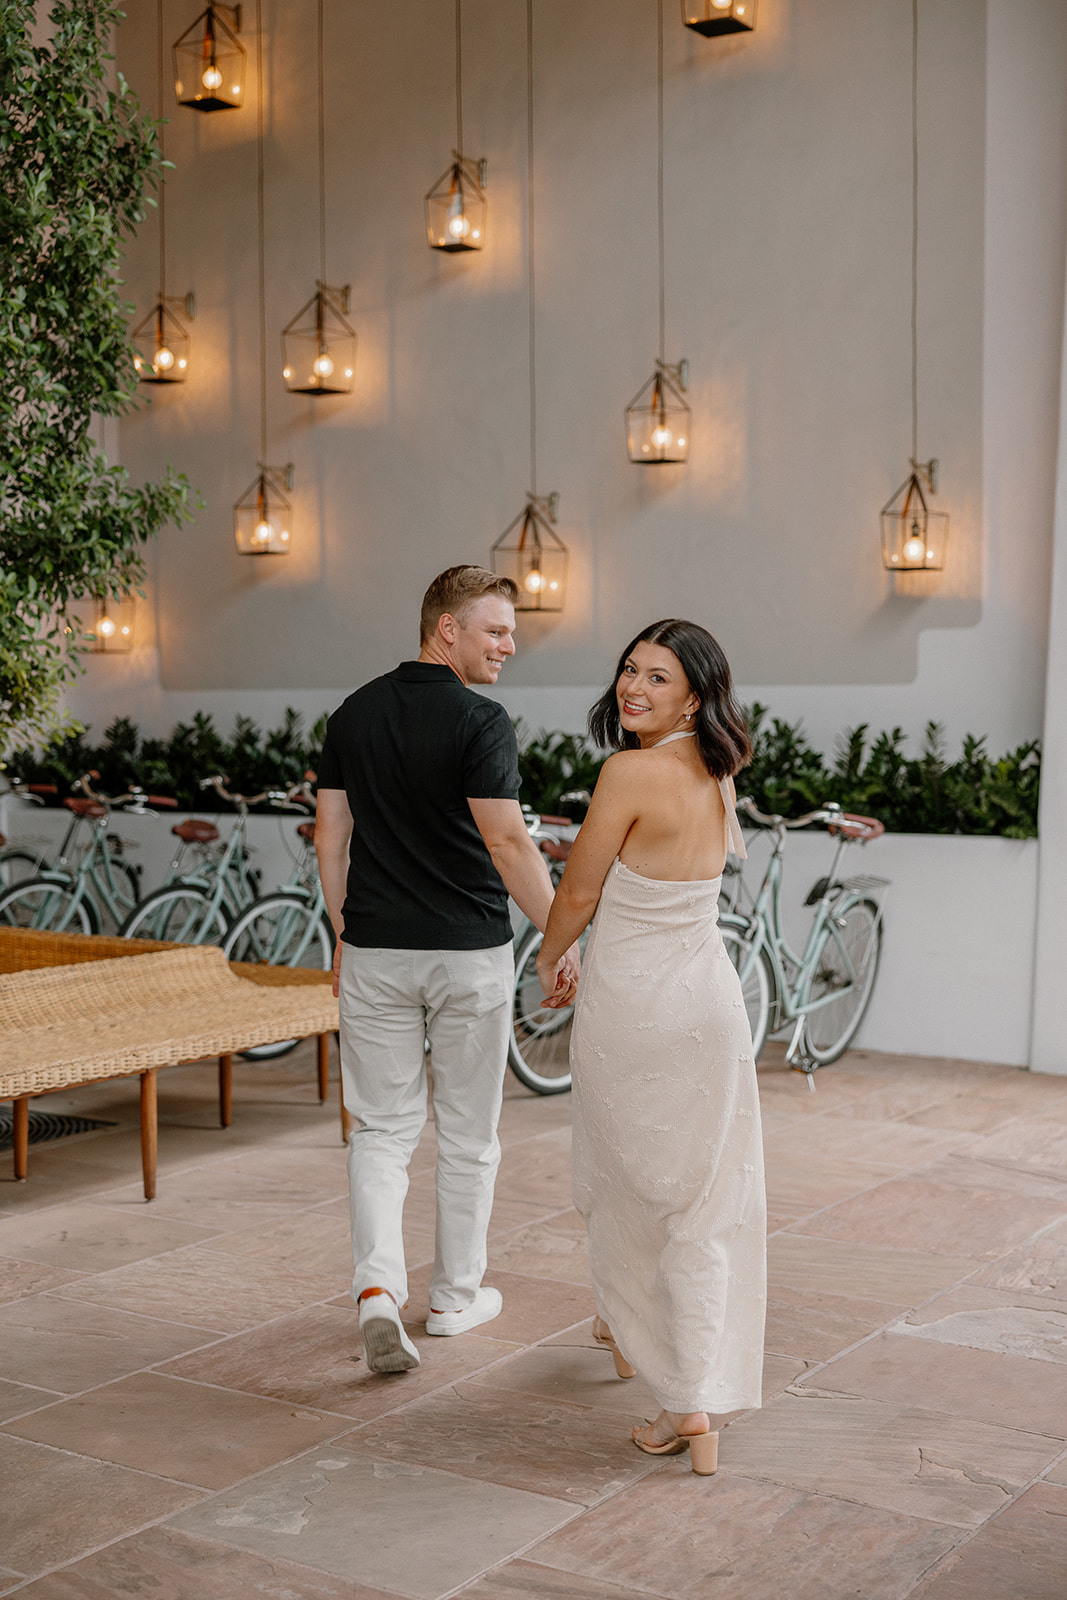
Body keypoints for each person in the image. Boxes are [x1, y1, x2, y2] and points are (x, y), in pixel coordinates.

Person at [315, 566, 578, 1376]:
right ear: (446, 629)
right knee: (468, 1133)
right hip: (466, 955)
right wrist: (562, 934)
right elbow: (506, 843)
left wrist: (342, 932)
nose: (509, 645)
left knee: (381, 1130)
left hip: (374, 950)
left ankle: (375, 1292)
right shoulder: (480, 720)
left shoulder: (352, 713)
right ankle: (455, 1298)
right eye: (495, 630)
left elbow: (330, 838)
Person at [536, 619, 766, 1476]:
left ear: (693, 695)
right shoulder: (717, 768)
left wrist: (550, 953)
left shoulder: (627, 772)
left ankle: (679, 1393)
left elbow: (581, 889)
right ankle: (663, 1365)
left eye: (657, 677)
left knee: (621, 1183)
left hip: (633, 1008)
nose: (633, 687)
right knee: (700, 1202)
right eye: (629, 670)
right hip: (710, 1004)